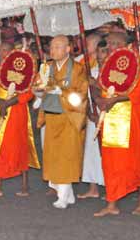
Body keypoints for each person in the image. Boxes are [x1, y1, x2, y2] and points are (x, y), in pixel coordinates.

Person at [93, 32, 140, 217]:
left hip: (130, 116)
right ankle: (112, 203)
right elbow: (99, 86)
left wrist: (115, 100)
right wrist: (98, 100)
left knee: (135, 159)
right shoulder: (108, 63)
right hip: (110, 117)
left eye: (115, 43)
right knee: (110, 161)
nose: (110, 46)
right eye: (109, 43)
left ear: (128, 44)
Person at [0, 43, 40, 198]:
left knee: (19, 144)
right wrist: (0, 102)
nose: (2, 52)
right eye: (0, 50)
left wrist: (8, 103)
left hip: (16, 111)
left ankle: (25, 185)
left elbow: (28, 94)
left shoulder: (24, 70)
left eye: (5, 50)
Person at [37, 35, 88, 209]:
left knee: (67, 156)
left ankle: (63, 196)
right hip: (51, 116)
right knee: (53, 155)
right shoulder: (46, 67)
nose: (53, 51)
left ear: (68, 49)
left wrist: (62, 92)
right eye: (51, 47)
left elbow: (81, 94)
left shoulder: (78, 69)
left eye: (58, 47)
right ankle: (68, 193)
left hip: (69, 116)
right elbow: (37, 86)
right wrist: (38, 92)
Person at [77, 39, 108, 199]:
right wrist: (90, 113)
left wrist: (95, 84)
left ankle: (110, 187)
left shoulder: (113, 72)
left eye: (104, 52)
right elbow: (85, 96)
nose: (101, 56)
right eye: (99, 52)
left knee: (108, 154)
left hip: (109, 117)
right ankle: (93, 187)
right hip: (93, 116)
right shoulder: (92, 71)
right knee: (91, 152)